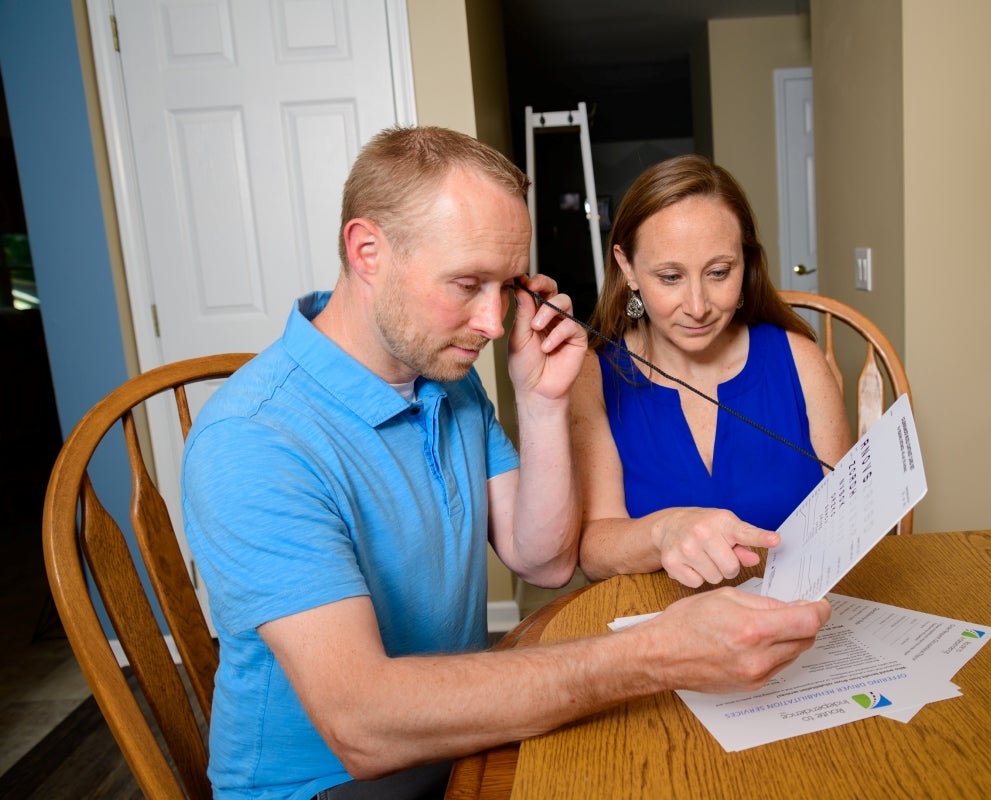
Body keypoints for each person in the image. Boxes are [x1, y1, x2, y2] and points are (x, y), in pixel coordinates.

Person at [182, 127, 832, 800]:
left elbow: (543, 561)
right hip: (332, 783)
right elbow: (364, 725)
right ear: (367, 251)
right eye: (467, 283)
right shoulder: (253, 439)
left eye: (506, 285)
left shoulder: (447, 380)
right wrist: (656, 652)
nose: (494, 322)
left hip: (461, 741)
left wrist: (543, 400)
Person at [570, 154, 853, 590]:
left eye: (719, 272)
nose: (698, 306)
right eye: (670, 277)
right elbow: (594, 550)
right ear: (627, 268)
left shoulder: (801, 360)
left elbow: (849, 517)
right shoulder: (594, 376)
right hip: (666, 625)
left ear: (746, 262)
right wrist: (664, 530)